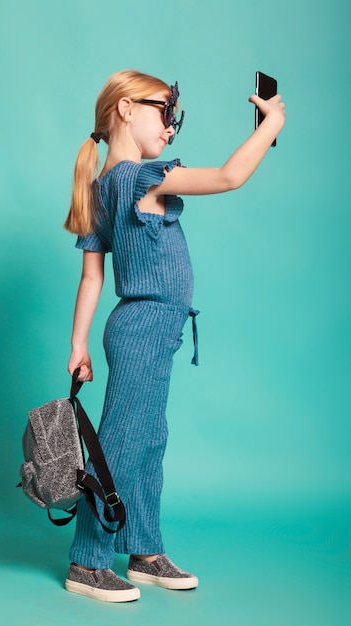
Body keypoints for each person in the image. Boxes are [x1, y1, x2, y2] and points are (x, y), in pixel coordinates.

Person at [63, 69, 285, 603]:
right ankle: (88, 561)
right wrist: (269, 124)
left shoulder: (102, 185)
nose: (170, 127)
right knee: (121, 443)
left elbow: (93, 277)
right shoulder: (138, 177)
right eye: (164, 112)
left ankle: (143, 548)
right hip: (142, 328)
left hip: (148, 330)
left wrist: (79, 345)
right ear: (125, 109)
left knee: (147, 441)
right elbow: (230, 177)